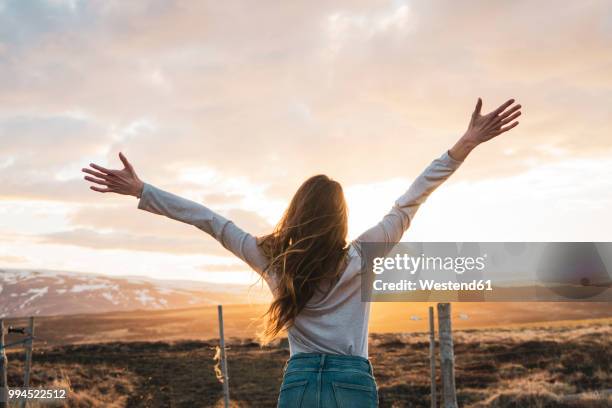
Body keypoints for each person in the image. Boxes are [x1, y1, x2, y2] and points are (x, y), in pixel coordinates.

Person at [82, 98, 521, 407]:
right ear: (340, 219)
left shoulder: (273, 261)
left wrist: (143, 190)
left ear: (296, 212)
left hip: (299, 382)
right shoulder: (361, 256)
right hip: (352, 383)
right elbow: (411, 199)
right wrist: (464, 144)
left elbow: (210, 220)